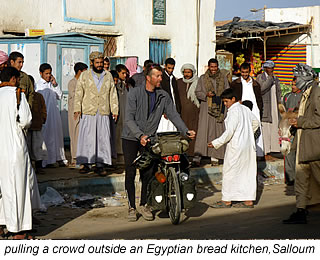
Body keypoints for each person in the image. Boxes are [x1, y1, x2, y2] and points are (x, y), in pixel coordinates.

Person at [121, 63, 196, 222]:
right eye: (158, 76)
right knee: (131, 171)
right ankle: (131, 207)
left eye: (161, 76)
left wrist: (185, 130)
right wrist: (139, 135)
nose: (161, 78)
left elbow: (173, 114)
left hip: (150, 137)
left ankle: (144, 204)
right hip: (131, 137)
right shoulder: (134, 94)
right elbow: (128, 119)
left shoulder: (163, 95)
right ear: (148, 78)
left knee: (148, 172)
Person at [0, 67, 40, 239]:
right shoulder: (17, 94)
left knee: (3, 189)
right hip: (15, 147)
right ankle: (19, 229)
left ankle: (3, 224)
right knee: (20, 187)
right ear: (14, 79)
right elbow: (26, 120)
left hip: (1, 148)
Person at [208, 88, 259, 208]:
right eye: (224, 102)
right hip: (248, 146)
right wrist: (247, 134)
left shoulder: (233, 111)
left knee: (229, 172)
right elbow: (255, 123)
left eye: (226, 101)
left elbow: (229, 132)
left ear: (233, 99)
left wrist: (216, 143)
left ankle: (226, 200)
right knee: (247, 173)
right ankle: (248, 201)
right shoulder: (245, 109)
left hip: (236, 147)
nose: (225, 104)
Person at [283, 64, 320, 224]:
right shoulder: (306, 93)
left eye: (297, 77)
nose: (295, 80)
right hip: (302, 143)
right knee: (301, 178)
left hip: (313, 146)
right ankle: (300, 211)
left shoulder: (317, 93)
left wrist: (300, 121)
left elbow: (318, 119)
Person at [74, 52, 118, 176]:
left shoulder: (108, 76)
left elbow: (113, 94)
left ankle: (100, 165)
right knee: (88, 138)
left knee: (103, 138)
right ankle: (86, 164)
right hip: (89, 111)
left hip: (103, 112)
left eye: (101, 63)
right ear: (92, 63)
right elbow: (79, 92)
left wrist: (115, 110)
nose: (99, 65)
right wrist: (77, 108)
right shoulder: (84, 76)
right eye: (97, 63)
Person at [194, 58, 230, 166]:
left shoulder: (223, 78)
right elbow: (197, 92)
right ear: (208, 67)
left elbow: (227, 91)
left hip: (219, 108)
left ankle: (216, 157)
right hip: (206, 108)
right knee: (203, 132)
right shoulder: (202, 78)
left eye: (215, 67)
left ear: (217, 66)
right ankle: (199, 156)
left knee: (218, 132)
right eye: (211, 67)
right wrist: (206, 95)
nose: (213, 69)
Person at [35, 63, 67, 168]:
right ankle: (46, 161)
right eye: (46, 73)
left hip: (54, 115)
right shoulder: (38, 86)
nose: (48, 75)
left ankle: (58, 158)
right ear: (41, 73)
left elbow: (60, 95)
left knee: (56, 135)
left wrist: (55, 84)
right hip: (45, 115)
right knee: (46, 136)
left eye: (50, 73)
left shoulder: (52, 85)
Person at [230, 62, 264, 157]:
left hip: (255, 110)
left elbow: (259, 99)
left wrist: (260, 110)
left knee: (256, 129)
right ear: (240, 72)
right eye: (243, 72)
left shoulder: (255, 84)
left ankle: (258, 153)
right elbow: (232, 96)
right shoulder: (235, 84)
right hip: (242, 109)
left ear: (250, 72)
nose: (244, 74)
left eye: (246, 72)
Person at [256, 60, 282, 158]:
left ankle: (274, 149)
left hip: (274, 107)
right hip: (265, 107)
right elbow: (262, 89)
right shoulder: (260, 78)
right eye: (269, 68)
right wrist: (270, 79)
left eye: (272, 68)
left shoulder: (276, 78)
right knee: (265, 128)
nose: (271, 70)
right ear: (265, 69)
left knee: (274, 127)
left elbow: (278, 92)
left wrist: (280, 103)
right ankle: (265, 151)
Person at [177, 63, 200, 161]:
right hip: (182, 113)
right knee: (183, 132)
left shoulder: (198, 82)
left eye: (189, 72)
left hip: (195, 112)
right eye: (185, 72)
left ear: (192, 72)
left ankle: (194, 155)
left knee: (194, 132)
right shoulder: (178, 82)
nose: (186, 74)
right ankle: (184, 155)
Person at [282, 77, 302, 185]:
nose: (293, 86)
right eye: (292, 84)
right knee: (288, 152)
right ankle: (290, 178)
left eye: (295, 84)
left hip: (299, 127)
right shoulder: (287, 97)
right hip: (288, 129)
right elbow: (283, 112)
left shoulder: (303, 96)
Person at [67, 62, 88, 167]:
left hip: (83, 112)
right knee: (75, 134)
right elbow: (75, 97)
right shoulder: (72, 83)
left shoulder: (84, 82)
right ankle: (74, 158)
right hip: (75, 112)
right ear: (80, 71)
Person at [27, 75, 48, 174]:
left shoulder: (38, 96)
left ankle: (39, 167)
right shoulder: (22, 96)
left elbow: (43, 109)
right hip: (26, 127)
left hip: (37, 125)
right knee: (27, 148)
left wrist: (43, 118)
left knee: (38, 147)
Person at [157, 57, 181, 132]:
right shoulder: (161, 78)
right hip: (164, 112)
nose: (170, 70)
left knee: (172, 130)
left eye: (172, 68)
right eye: (169, 68)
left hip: (173, 109)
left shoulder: (173, 79)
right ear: (165, 66)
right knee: (164, 130)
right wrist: (164, 110)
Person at [114, 64, 129, 163]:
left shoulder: (126, 85)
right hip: (118, 113)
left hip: (125, 113)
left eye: (125, 73)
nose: (124, 75)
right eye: (122, 73)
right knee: (117, 133)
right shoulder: (115, 85)